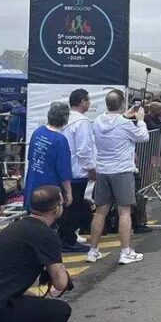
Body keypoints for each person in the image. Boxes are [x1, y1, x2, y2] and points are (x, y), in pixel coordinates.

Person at [0, 186, 73, 322]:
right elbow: (60, 284)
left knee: (15, 316)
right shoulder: (46, 234)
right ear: (56, 209)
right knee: (60, 311)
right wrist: (62, 273)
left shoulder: (15, 227)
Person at [87, 89, 149, 265]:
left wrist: (125, 116)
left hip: (103, 170)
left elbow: (114, 124)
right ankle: (125, 251)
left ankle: (93, 250)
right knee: (124, 212)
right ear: (122, 104)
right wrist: (140, 120)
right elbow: (143, 137)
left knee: (100, 211)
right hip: (122, 171)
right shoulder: (125, 124)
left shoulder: (98, 121)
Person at [60, 89, 96, 253]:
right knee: (74, 207)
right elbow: (84, 149)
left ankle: (65, 238)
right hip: (77, 170)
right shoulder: (82, 122)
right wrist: (91, 169)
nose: (89, 104)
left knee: (67, 207)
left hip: (66, 169)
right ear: (82, 102)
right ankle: (69, 240)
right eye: (88, 101)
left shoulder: (65, 119)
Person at [23, 103, 73, 218]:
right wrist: (69, 192)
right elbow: (64, 171)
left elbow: (30, 158)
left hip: (32, 185)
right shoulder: (60, 140)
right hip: (50, 191)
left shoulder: (37, 132)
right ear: (65, 119)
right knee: (48, 222)